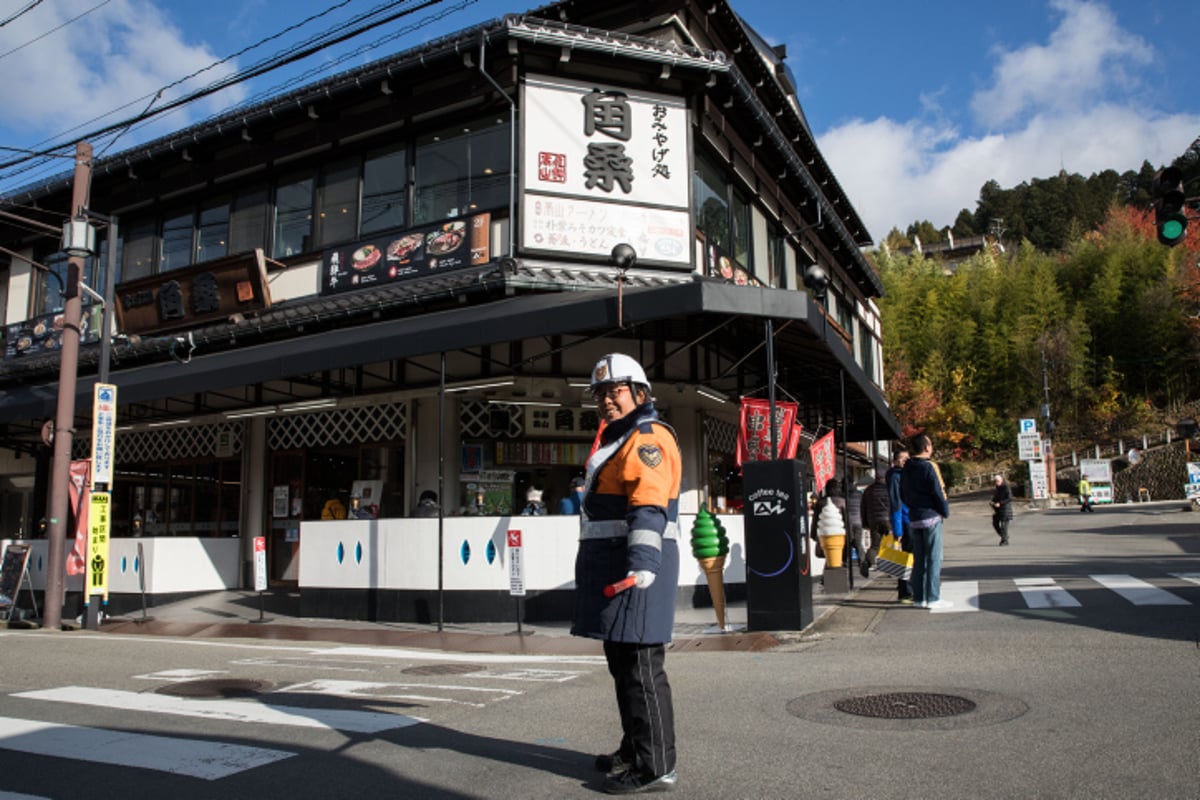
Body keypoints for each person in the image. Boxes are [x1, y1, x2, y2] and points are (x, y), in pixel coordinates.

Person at [572, 353, 681, 794]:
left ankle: (656, 767)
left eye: (613, 391)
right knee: (623, 665)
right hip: (619, 569)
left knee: (641, 668)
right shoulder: (621, 438)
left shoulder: (647, 437)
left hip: (636, 571)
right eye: (600, 393)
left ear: (640, 393)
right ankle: (635, 747)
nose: (605, 400)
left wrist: (643, 564)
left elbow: (649, 506)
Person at [899, 433, 950, 610]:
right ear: (926, 447)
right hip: (931, 516)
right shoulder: (928, 467)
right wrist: (944, 511)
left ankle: (919, 598)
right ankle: (933, 597)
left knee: (919, 560)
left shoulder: (906, 468)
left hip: (914, 517)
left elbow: (902, 494)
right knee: (934, 558)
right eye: (931, 444)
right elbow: (936, 492)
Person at [885, 447, 913, 603]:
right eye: (901, 458)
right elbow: (896, 504)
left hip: (907, 519)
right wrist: (897, 528)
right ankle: (907, 591)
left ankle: (905, 590)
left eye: (907, 457)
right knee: (907, 558)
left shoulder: (900, 474)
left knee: (906, 558)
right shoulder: (896, 476)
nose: (905, 460)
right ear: (895, 461)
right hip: (905, 520)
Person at [861, 472, 890, 578]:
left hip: (873, 521)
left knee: (875, 545)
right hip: (887, 520)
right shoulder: (888, 488)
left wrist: (865, 523)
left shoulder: (868, 490)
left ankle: (867, 562)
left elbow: (863, 508)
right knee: (890, 545)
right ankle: (890, 569)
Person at [990, 474, 1013, 545]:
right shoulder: (997, 488)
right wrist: (993, 502)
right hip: (998, 510)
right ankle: (1004, 536)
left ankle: (1004, 540)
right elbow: (995, 498)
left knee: (1004, 526)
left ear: (1001, 481)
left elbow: (1009, 498)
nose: (996, 483)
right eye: (995, 481)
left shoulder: (1006, 488)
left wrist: (1000, 503)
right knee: (995, 523)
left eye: (997, 481)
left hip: (1005, 509)